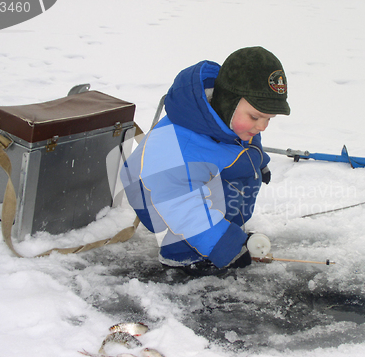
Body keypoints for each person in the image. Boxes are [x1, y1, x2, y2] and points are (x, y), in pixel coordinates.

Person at [121, 46, 290, 275]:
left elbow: (248, 144)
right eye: (256, 117)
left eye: (269, 118)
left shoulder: (228, 120)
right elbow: (181, 205)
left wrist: (260, 162)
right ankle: (182, 253)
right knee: (205, 202)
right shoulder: (183, 148)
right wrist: (227, 247)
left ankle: (218, 232)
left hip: (183, 184)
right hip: (157, 195)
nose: (261, 126)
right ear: (229, 103)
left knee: (238, 176)